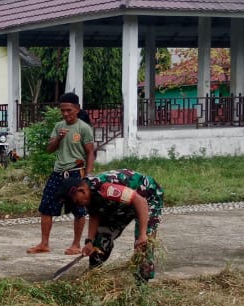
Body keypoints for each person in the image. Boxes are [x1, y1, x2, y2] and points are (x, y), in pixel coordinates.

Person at [64, 168, 165, 282]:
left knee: (143, 243)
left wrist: (142, 234)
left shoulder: (106, 188)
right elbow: (95, 213)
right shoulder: (89, 193)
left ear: (82, 191)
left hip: (147, 196)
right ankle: (93, 274)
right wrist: (90, 241)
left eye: (77, 202)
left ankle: (141, 283)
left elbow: (140, 201)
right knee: (101, 238)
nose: (79, 206)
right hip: (122, 204)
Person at [27, 92, 96, 255]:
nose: (66, 114)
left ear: (77, 109)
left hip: (75, 174)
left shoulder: (84, 128)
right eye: (63, 110)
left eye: (69, 110)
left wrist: (87, 176)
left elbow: (90, 153)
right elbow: (50, 149)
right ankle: (44, 243)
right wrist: (58, 138)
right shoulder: (59, 126)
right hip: (58, 172)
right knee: (46, 207)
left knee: (79, 209)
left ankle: (76, 244)